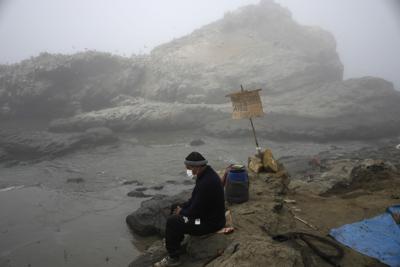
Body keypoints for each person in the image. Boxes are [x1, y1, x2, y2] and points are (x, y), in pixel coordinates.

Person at [154, 151, 226, 267]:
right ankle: (176, 241)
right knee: (176, 207)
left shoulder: (206, 183)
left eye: (189, 168)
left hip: (208, 223)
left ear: (197, 167)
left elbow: (196, 212)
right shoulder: (205, 175)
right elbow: (194, 200)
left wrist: (182, 212)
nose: (188, 171)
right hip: (205, 217)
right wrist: (182, 207)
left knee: (173, 222)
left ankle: (173, 258)